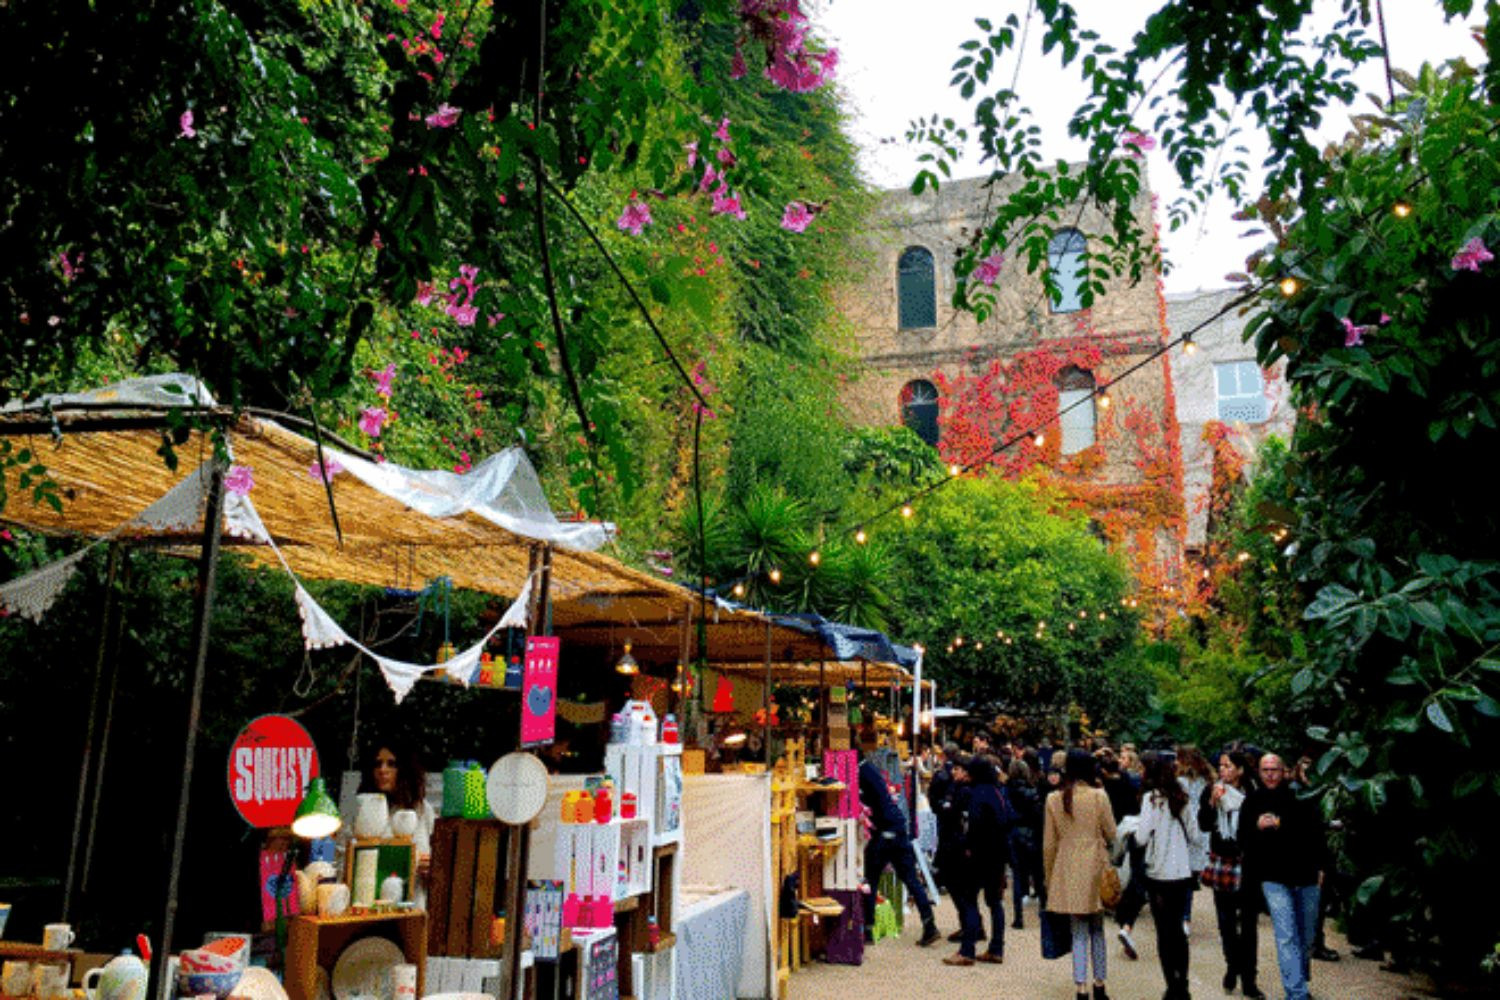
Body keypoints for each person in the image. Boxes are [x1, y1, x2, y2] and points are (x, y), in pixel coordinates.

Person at [1241, 752, 1327, 1000]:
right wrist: (1257, 827)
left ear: (1284, 771)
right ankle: (1297, 993)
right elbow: (1242, 839)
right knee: (1286, 935)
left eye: (1274, 769)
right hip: (1273, 878)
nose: (1270, 774)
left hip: (1307, 874)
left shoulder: (1300, 797)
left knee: (1306, 935)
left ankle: (1298, 977)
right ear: (1259, 772)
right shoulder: (1253, 801)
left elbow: (1314, 832)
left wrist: (1321, 867)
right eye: (1265, 769)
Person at [1044, 749, 1117, 1000]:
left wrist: (1049, 876)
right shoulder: (1099, 796)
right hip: (1096, 865)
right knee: (1097, 930)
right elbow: (1111, 832)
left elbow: (1049, 845)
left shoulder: (1054, 799)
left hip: (1067, 867)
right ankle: (1100, 984)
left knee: (1078, 932)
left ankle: (1080, 987)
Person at [1138, 751, 1205, 1000]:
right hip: (1180, 870)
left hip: (1158, 870)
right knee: (1178, 930)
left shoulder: (1150, 799)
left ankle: (1171, 985)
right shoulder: (1181, 798)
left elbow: (1142, 836)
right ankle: (1183, 983)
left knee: (1163, 933)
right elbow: (1196, 836)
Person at [1199, 750, 1263, 998]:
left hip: (1248, 863)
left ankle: (1249, 979)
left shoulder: (1252, 793)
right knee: (1226, 922)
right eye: (1220, 766)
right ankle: (1232, 966)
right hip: (1223, 861)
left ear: (1240, 770)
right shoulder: (1213, 790)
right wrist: (1212, 803)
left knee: (1248, 924)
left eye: (1227, 766)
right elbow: (1204, 824)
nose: (1222, 770)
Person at [859, 757, 941, 946]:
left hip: (884, 830)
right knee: (910, 878)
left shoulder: (861, 772)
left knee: (870, 878)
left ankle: (868, 929)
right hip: (897, 828)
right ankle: (929, 923)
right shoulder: (871, 769)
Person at [946, 755, 1010, 965]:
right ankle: (996, 948)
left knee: (969, 900)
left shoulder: (977, 795)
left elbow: (973, 825)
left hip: (978, 855)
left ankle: (967, 950)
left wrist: (967, 847)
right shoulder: (997, 793)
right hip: (998, 856)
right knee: (994, 902)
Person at [355, 743, 435, 901]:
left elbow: (441, 863)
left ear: (404, 769)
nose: (383, 770)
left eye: (391, 764)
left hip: (412, 905)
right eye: (377, 764)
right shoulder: (363, 809)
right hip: (368, 903)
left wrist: (432, 867)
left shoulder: (423, 810)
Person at [1176, 744, 1215, 937]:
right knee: (1190, 877)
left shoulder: (1180, 782)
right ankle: (1185, 918)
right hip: (1202, 831)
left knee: (1182, 876)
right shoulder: (1208, 780)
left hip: (1185, 830)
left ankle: (1182, 916)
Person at [1006, 757, 1043, 929]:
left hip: (1014, 834)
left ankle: (1018, 917)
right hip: (1032, 834)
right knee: (1037, 874)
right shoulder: (1033, 791)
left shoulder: (1007, 791)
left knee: (1018, 877)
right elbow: (1038, 814)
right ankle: (1043, 910)